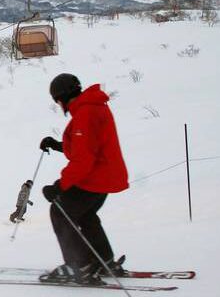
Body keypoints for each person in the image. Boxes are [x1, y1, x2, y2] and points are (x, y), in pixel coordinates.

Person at [38, 73, 129, 285]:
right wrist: (58, 145)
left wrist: (58, 187)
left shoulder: (85, 113)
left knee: (60, 211)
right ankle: (105, 262)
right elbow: (87, 147)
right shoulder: (93, 107)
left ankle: (80, 267)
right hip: (104, 177)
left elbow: (83, 161)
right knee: (85, 215)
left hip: (95, 178)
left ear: (61, 98)